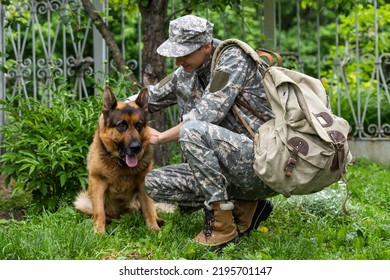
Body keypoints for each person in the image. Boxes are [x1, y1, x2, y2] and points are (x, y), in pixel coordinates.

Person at [138, 15, 277, 250]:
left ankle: (222, 229)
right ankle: (246, 208)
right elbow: (150, 96)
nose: (178, 61)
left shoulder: (233, 60)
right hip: (229, 168)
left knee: (192, 130)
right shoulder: (188, 71)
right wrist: (114, 110)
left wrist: (160, 137)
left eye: (185, 53)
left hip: (262, 162)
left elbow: (203, 117)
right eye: (176, 53)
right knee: (153, 183)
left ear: (206, 46)